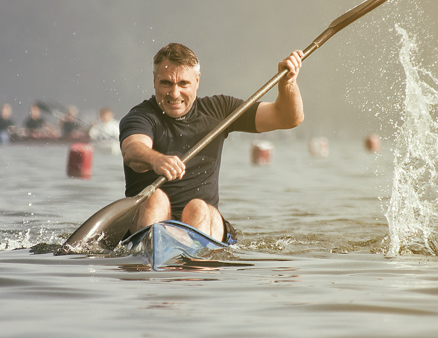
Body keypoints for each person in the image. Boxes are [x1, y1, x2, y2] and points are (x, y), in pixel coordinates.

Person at [119, 42, 304, 244]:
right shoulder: (141, 116)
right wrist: (156, 160)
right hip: (152, 220)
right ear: (154, 80)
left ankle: (195, 261)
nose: (174, 93)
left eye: (183, 84)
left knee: (197, 207)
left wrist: (288, 84)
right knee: (156, 199)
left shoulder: (219, 110)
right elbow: (132, 150)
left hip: (202, 221)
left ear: (197, 81)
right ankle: (151, 252)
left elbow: (287, 118)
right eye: (166, 83)